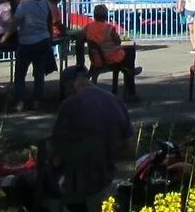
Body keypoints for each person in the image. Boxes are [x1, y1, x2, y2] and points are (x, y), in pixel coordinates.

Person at [47, 67, 133, 197]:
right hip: (107, 176)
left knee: (25, 181)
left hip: (76, 180)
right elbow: (128, 148)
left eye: (65, 89)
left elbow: (57, 154)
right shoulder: (116, 101)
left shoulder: (69, 105)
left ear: (69, 85)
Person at [12, 0, 55, 111]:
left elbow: (16, 22)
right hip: (43, 40)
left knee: (20, 74)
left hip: (27, 41)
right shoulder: (45, 3)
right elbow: (50, 21)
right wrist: (50, 37)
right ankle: (37, 101)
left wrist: (8, 34)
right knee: (39, 73)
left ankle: (20, 102)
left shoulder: (24, 4)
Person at [82, 3, 142, 98]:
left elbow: (80, 40)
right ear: (105, 15)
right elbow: (117, 41)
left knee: (127, 55)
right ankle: (131, 87)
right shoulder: (108, 28)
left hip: (96, 59)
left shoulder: (88, 27)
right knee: (130, 52)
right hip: (110, 58)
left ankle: (130, 71)